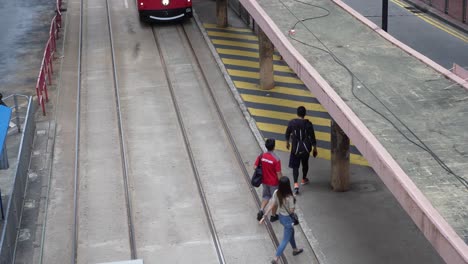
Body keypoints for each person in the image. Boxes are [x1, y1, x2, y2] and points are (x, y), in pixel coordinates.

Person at [259, 176, 304, 263]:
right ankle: (276, 258)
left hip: (281, 217)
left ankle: (295, 249)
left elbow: (272, 205)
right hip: (288, 219)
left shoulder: (276, 192)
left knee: (291, 233)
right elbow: (291, 211)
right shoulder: (290, 197)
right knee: (285, 240)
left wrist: (264, 216)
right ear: (288, 185)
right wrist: (294, 200)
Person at [285, 106, 317, 195]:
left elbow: (287, 133)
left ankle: (296, 184)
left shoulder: (292, 123)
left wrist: (287, 143)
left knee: (295, 166)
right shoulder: (308, 124)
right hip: (306, 149)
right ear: (305, 114)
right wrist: (314, 148)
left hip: (295, 149)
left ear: (297, 113)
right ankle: (304, 179)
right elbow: (312, 137)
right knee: (305, 164)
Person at [254, 138, 282, 222]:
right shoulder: (276, 159)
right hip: (274, 183)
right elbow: (279, 173)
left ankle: (261, 210)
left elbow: (255, 167)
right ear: (274, 146)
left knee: (266, 196)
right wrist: (282, 183)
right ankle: (273, 216)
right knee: (275, 200)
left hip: (264, 181)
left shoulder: (261, 156)